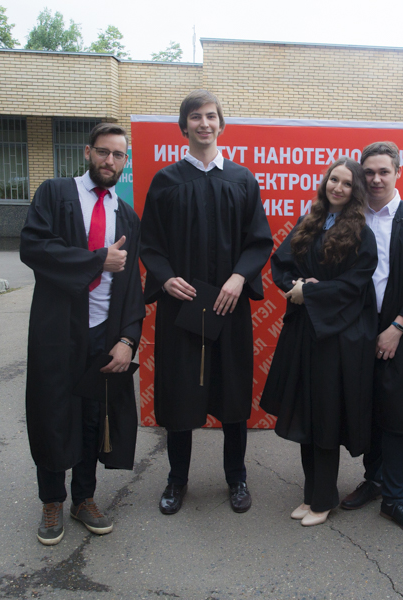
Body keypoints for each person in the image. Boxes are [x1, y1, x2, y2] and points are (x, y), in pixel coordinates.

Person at [140, 89, 272, 516]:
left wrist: (239, 278)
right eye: (195, 117)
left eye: (211, 116)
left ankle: (237, 477)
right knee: (180, 393)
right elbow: (150, 243)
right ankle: (177, 479)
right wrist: (165, 278)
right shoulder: (166, 181)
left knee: (232, 392)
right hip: (182, 307)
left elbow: (259, 241)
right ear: (184, 127)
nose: (204, 123)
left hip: (228, 307)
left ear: (221, 124)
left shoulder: (242, 179)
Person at [20, 123, 145, 546]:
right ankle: (51, 500)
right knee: (52, 411)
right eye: (103, 152)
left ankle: (84, 497)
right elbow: (33, 247)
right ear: (88, 152)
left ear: (125, 162)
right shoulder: (55, 194)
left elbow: (132, 286)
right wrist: (96, 260)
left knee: (94, 417)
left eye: (118, 155)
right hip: (57, 329)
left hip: (103, 332)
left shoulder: (127, 215)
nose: (110, 161)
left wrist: (127, 339)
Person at [261, 158, 378, 527]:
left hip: (336, 338)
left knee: (325, 418)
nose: (338, 187)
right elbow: (281, 263)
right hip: (304, 333)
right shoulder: (309, 220)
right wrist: (294, 287)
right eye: (333, 180)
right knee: (306, 416)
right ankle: (311, 493)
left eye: (346, 183)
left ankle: (324, 499)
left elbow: (354, 286)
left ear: (355, 191)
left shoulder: (361, 233)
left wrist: (311, 293)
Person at [339, 141, 403, 536]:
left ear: (398, 173)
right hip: (358, 331)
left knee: (397, 415)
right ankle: (374, 479)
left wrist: (397, 328)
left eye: (384, 171)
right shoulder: (350, 218)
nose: (376, 179)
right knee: (366, 409)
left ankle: (395, 497)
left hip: (402, 331)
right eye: (369, 172)